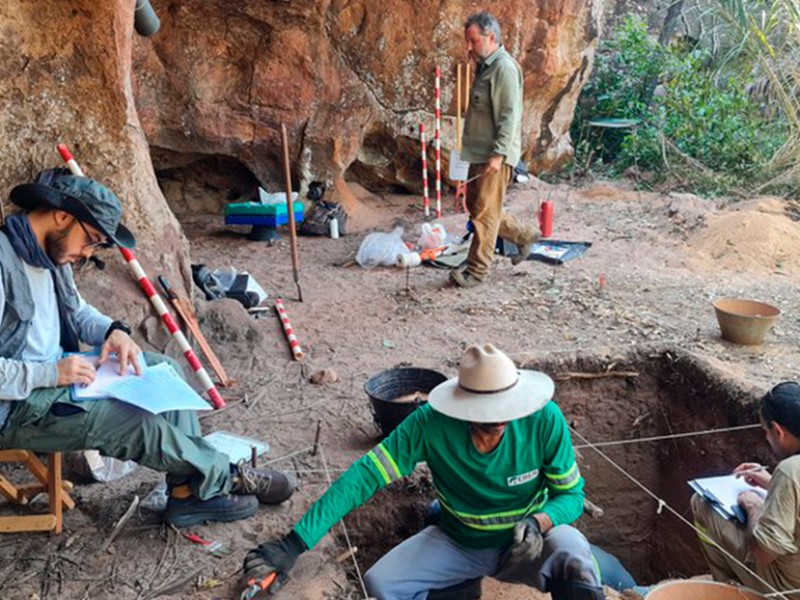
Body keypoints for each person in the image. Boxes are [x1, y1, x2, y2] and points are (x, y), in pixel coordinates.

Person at [0, 171, 295, 527]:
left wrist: (114, 331)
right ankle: (224, 475)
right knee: (133, 424)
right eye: (90, 240)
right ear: (62, 216)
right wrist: (49, 373)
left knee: (161, 368)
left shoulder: (50, 255)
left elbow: (77, 311)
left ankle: (186, 494)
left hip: (60, 378)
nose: (86, 253)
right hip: (18, 408)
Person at [242, 344, 604, 600]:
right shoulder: (430, 424)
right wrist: (294, 543)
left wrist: (538, 523)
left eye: (505, 405)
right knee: (381, 583)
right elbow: (364, 476)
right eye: (486, 408)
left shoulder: (543, 418)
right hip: (460, 542)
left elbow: (571, 496)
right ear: (463, 403)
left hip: (527, 546)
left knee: (573, 551)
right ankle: (458, 589)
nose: (499, 418)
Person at [451, 11, 539, 289]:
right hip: (480, 151)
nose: (468, 47)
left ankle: (476, 271)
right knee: (478, 207)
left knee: (484, 214)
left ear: (491, 37)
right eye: (467, 41)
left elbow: (509, 116)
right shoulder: (486, 65)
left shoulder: (503, 68)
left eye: (473, 41)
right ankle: (524, 235)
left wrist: (499, 154)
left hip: (493, 154)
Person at [691, 382, 800, 598]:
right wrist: (772, 484)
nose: (767, 439)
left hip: (789, 587)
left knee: (701, 503)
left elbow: (765, 552)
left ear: (778, 430)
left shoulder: (791, 471)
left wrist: (753, 507)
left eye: (765, 431)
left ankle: (727, 590)